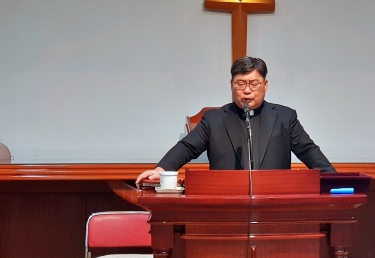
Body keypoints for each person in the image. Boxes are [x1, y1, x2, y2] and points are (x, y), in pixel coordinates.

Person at [135, 56, 335, 185]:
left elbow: (308, 150)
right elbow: (187, 147)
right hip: (226, 202)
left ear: (265, 85)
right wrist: (160, 170)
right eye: (240, 83)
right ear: (232, 84)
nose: (247, 90)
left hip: (274, 201)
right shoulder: (214, 119)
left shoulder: (285, 117)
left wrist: (334, 179)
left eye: (254, 84)